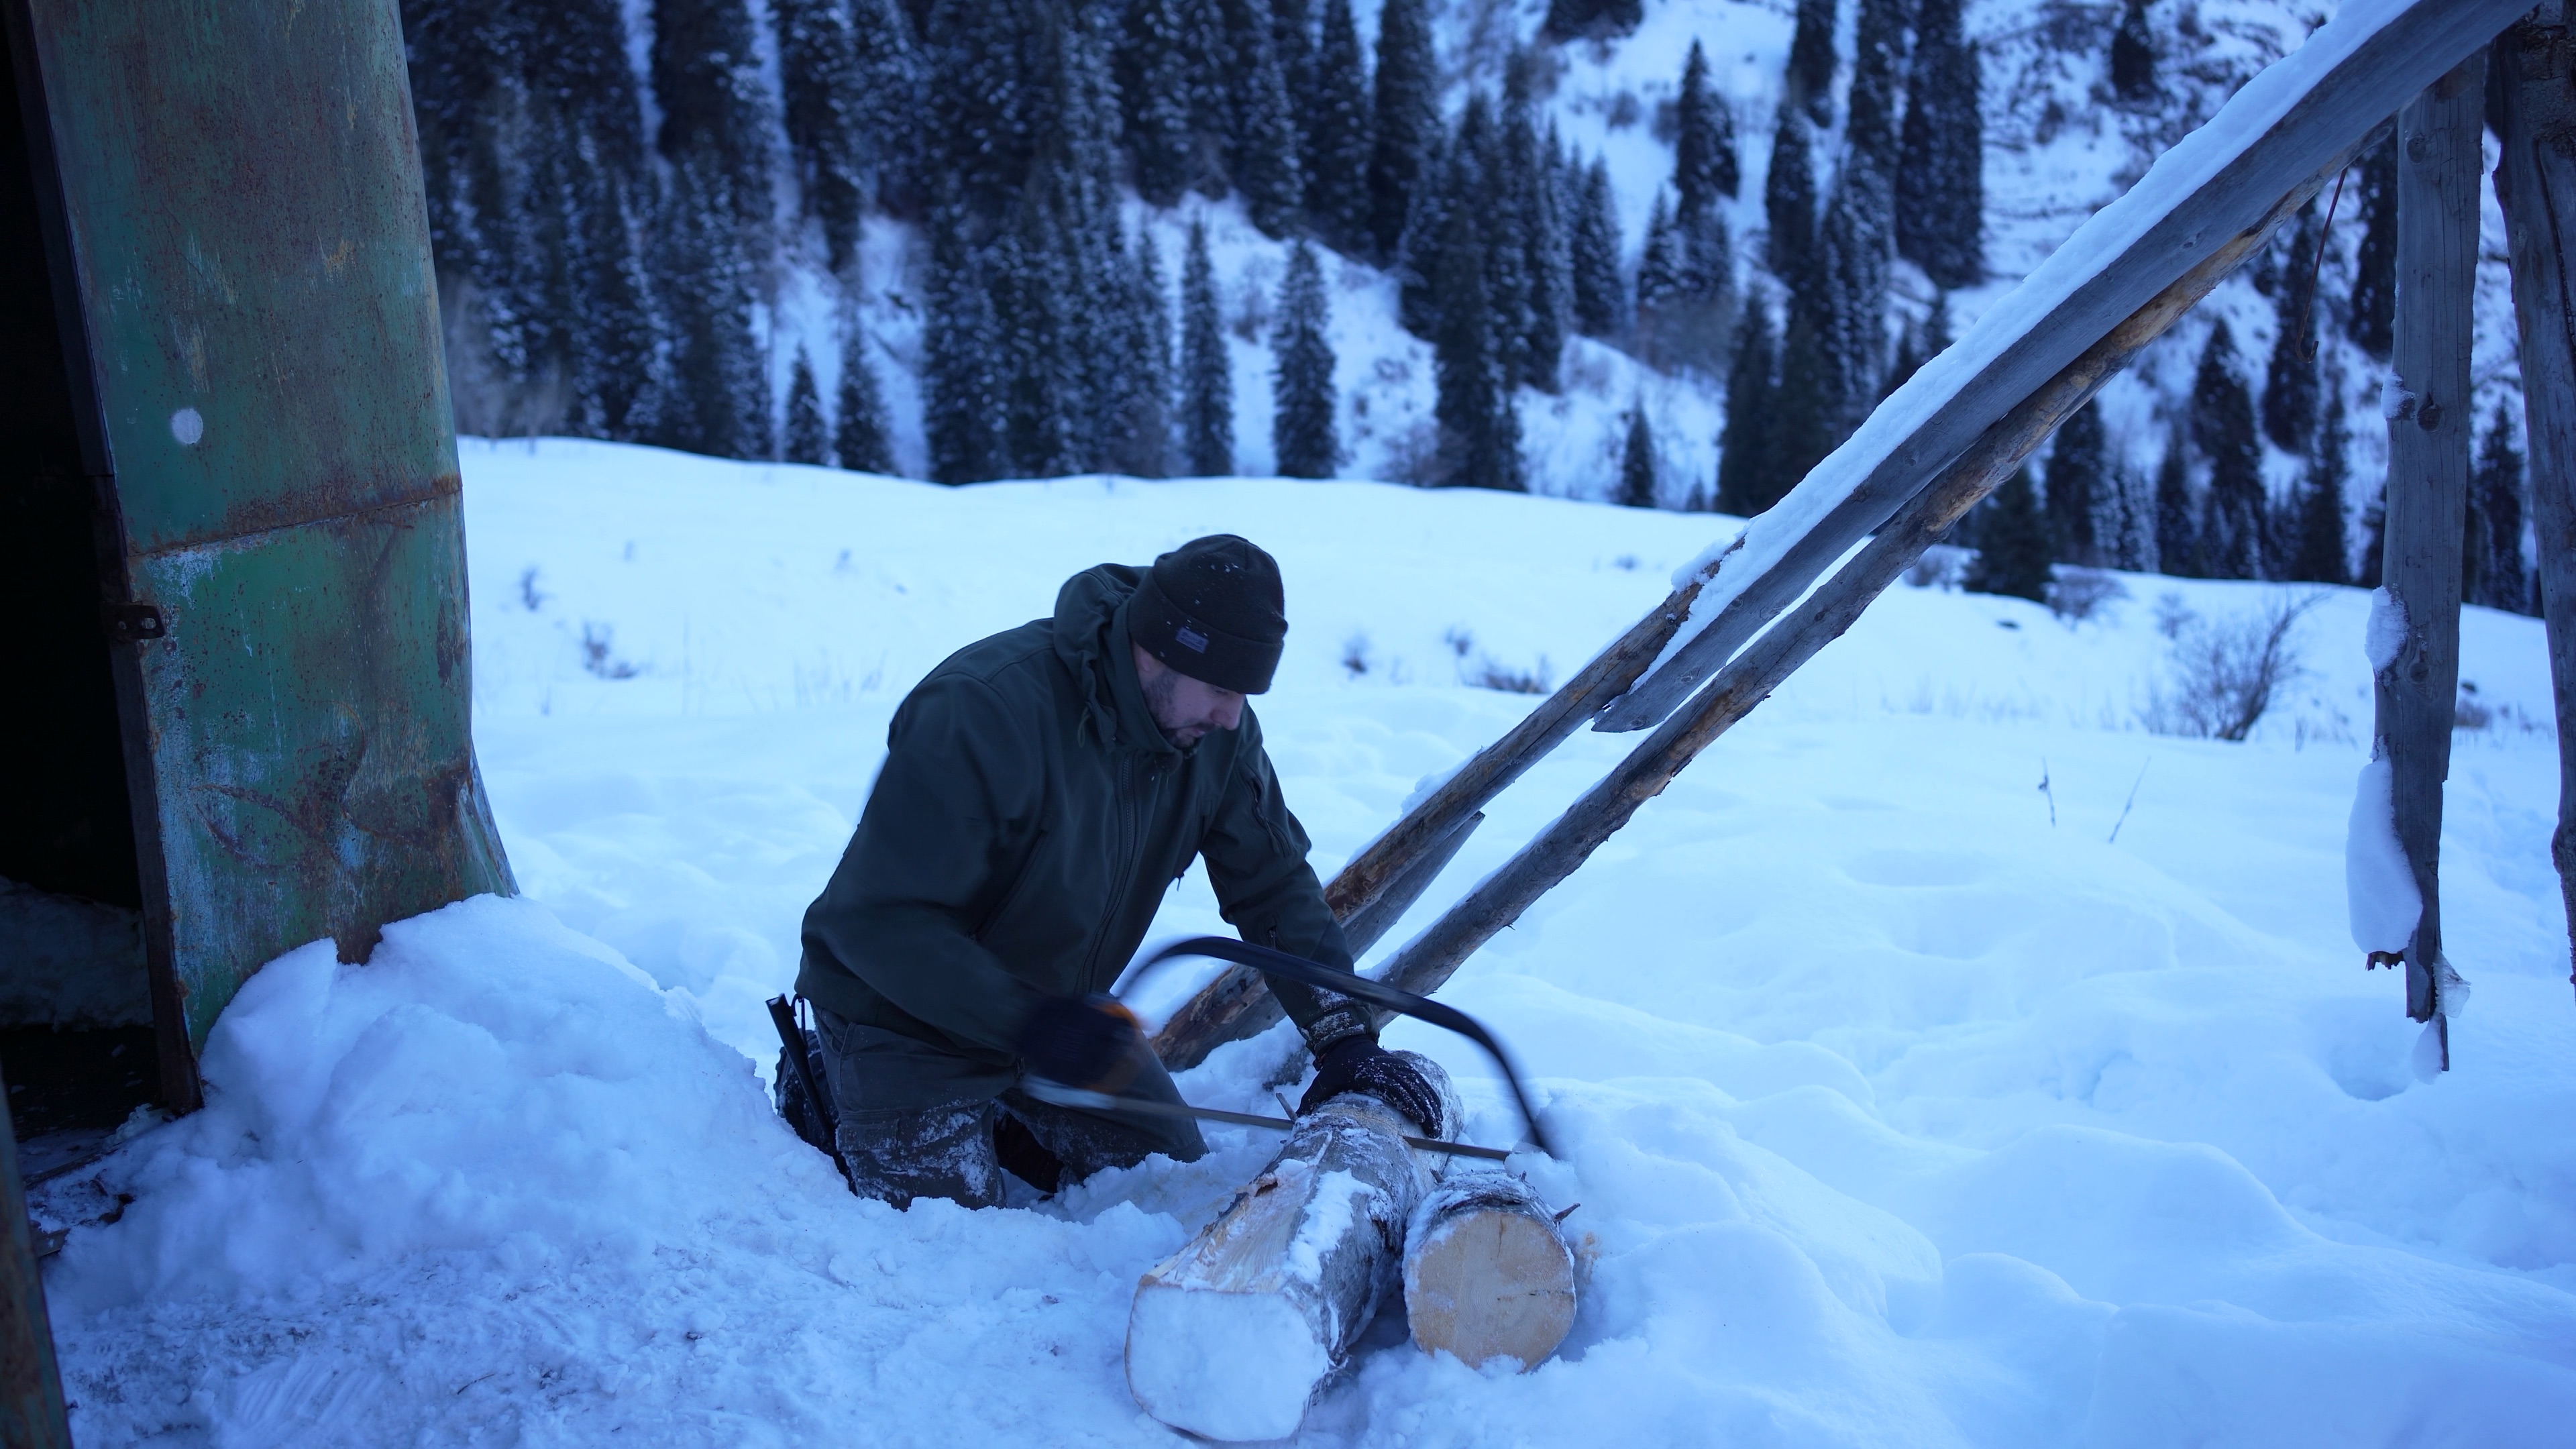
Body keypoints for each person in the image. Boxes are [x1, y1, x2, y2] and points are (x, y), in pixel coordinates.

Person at [794, 535, 1444, 1208]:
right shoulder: (984, 712)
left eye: (1245, 695)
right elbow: (875, 922)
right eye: (1221, 687)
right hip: (906, 1019)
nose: (1231, 716)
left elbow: (1273, 882)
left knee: (1166, 1180)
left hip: (1058, 1026)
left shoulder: (1215, 737)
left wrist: (1341, 1035)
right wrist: (1029, 1023)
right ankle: (826, 1089)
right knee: (949, 1240)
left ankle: (1005, 1119)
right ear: (1160, 652)